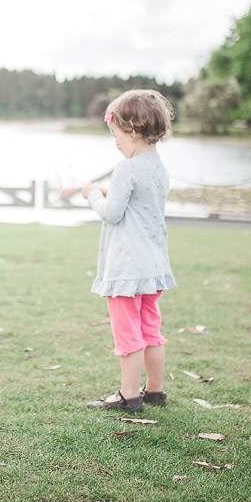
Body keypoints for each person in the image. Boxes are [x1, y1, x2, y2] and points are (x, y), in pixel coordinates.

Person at [82, 89, 177, 412]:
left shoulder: (126, 168)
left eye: (117, 135)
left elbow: (112, 212)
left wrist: (94, 194)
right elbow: (139, 202)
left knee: (128, 335)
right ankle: (155, 391)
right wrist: (109, 191)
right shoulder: (158, 166)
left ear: (134, 130)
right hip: (153, 266)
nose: (117, 143)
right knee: (151, 330)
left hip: (126, 269)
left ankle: (128, 395)